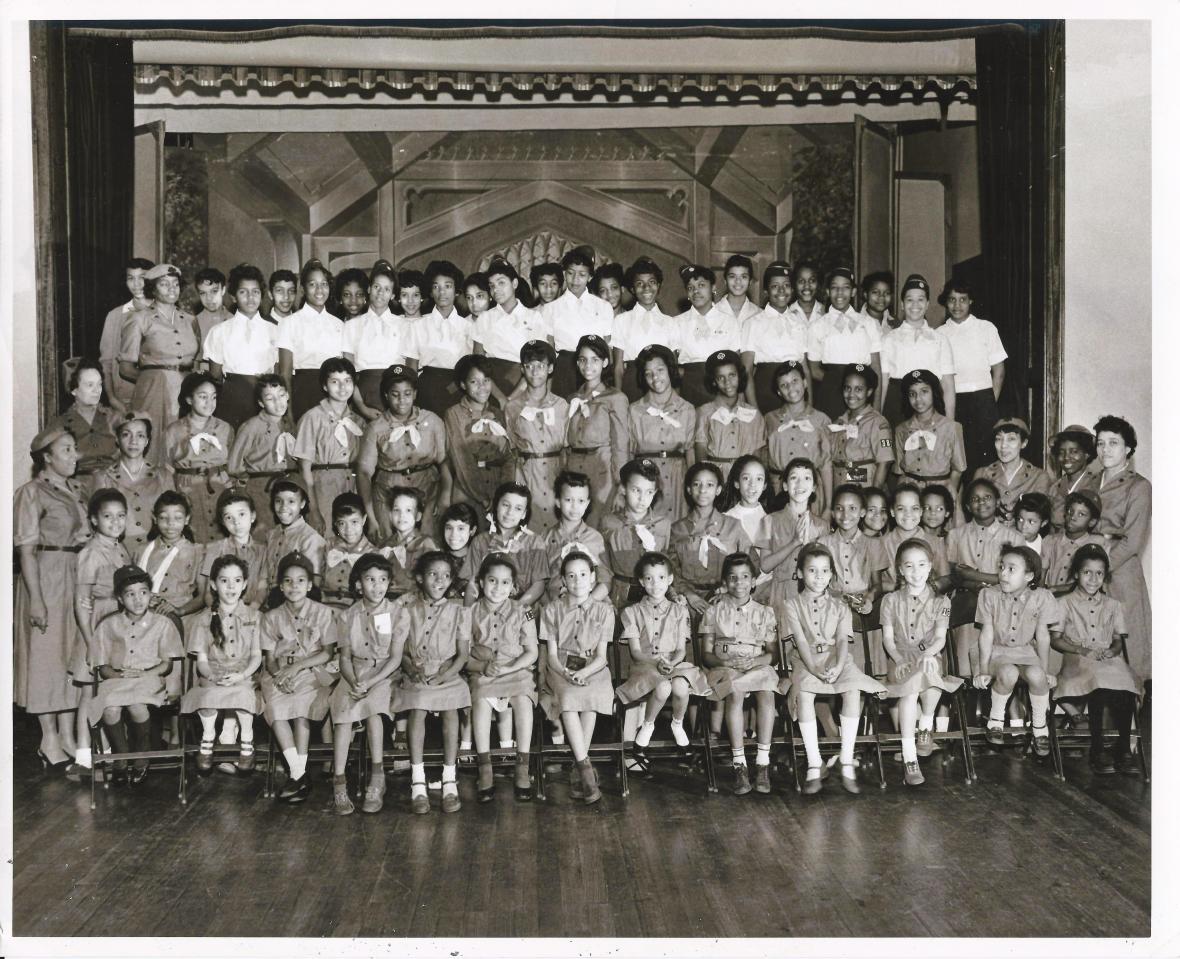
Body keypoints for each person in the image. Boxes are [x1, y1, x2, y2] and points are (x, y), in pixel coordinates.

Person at [783, 543, 887, 795]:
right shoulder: (791, 605)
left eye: (825, 571)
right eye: (812, 570)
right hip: (805, 660)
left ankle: (846, 759)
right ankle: (815, 763)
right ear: (799, 573)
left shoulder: (840, 606)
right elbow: (800, 642)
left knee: (852, 690)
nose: (819, 576)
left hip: (837, 658)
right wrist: (813, 668)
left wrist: (839, 666)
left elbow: (842, 641)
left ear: (831, 574)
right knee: (805, 693)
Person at [1050, 544, 1143, 775]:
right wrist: (1081, 650)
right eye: (1087, 572)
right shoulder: (1064, 603)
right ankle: (1097, 750)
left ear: (1105, 576)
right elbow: (1056, 640)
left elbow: (1118, 640)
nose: (1093, 579)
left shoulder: (1113, 605)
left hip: (1106, 659)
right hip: (1077, 659)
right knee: (1099, 685)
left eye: (1099, 573)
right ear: (1076, 574)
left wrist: (1113, 650)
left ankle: (1123, 749)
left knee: (1126, 686)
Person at [391, 552, 473, 814]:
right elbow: (401, 652)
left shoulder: (459, 611)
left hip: (447, 674)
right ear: (419, 578)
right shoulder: (406, 610)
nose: (439, 580)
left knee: (451, 710)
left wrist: (444, 676)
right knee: (417, 707)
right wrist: (411, 669)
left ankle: (449, 779)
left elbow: (462, 656)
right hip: (417, 673)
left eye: (446, 576)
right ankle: (418, 781)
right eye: (432, 574)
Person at [87, 565, 184, 785]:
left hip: (149, 679)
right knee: (110, 709)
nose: (138, 599)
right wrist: (120, 676)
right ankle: (121, 758)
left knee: (137, 706)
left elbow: (167, 665)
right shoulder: (108, 625)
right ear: (120, 599)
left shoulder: (162, 623)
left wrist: (144, 674)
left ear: (150, 594)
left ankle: (141, 755)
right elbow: (102, 667)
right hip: (116, 680)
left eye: (143, 592)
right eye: (130, 594)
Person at [879, 538, 963, 786]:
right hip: (901, 659)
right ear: (900, 570)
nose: (916, 572)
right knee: (909, 692)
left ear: (930, 567)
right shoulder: (890, 600)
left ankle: (925, 725)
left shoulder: (943, 602)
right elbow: (888, 639)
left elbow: (940, 638)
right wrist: (898, 659)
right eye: (909, 566)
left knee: (930, 671)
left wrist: (929, 654)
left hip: (928, 654)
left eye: (921, 565)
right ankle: (910, 758)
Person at [539, 550, 616, 805]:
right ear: (563, 580)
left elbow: (602, 657)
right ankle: (586, 771)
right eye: (571, 576)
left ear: (593, 578)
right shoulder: (551, 610)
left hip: (593, 668)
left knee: (591, 696)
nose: (577, 580)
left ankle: (578, 768)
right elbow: (551, 656)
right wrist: (566, 673)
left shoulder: (605, 611)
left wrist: (584, 672)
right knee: (570, 697)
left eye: (583, 574)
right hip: (561, 668)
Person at [700, 553, 781, 796]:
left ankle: (763, 763)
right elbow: (706, 655)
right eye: (733, 578)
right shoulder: (713, 611)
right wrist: (725, 661)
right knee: (735, 693)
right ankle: (740, 765)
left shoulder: (765, 612)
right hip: (725, 666)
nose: (739, 583)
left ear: (754, 581)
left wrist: (755, 661)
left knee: (767, 692)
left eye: (745, 577)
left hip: (756, 664)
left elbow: (773, 655)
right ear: (725, 582)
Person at [328, 552, 403, 815]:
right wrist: (353, 681)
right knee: (343, 714)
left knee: (373, 712)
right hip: (355, 673)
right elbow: (344, 658)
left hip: (384, 674)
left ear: (389, 582)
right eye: (370, 579)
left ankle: (377, 778)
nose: (377, 585)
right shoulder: (347, 616)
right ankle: (339, 781)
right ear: (358, 584)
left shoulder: (397, 613)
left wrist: (371, 681)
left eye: (382, 579)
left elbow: (395, 658)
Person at [261, 551, 337, 803]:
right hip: (279, 672)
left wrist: (297, 669)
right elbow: (270, 659)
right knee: (275, 708)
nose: (294, 586)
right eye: (288, 581)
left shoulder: (323, 613)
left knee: (302, 709)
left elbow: (327, 653)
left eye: (301, 580)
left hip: (312, 670)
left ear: (310, 585)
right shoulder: (271, 617)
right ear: (281, 587)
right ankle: (299, 774)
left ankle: (296, 775)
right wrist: (279, 676)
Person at [466, 553, 539, 802]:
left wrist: (509, 669)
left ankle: (522, 767)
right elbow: (463, 655)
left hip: (516, 672)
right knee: (480, 703)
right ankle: (485, 768)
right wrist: (481, 666)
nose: (498, 588)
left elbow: (532, 652)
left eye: (505, 582)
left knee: (523, 702)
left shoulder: (524, 611)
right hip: (484, 673)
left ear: (513, 586)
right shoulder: (470, 613)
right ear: (481, 582)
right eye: (492, 581)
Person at [616, 551, 707, 748]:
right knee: (664, 687)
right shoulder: (631, 612)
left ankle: (677, 723)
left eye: (661, 578)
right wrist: (656, 662)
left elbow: (681, 650)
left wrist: (672, 663)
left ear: (670, 580)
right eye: (649, 579)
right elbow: (636, 653)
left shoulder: (680, 611)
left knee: (681, 687)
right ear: (641, 582)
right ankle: (648, 725)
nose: (655, 584)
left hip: (674, 664)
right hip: (645, 665)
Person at [69, 490, 132, 780]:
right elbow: (81, 603)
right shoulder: (90, 553)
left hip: (118, 627)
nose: (115, 522)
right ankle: (84, 758)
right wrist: (90, 642)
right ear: (94, 520)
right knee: (89, 694)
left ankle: (107, 752)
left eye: (121, 516)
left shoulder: (121, 548)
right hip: (96, 627)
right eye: (108, 516)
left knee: (108, 694)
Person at [973, 545, 1059, 754]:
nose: (1003, 573)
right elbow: (986, 634)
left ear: (1029, 576)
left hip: (1026, 652)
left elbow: (1042, 636)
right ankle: (995, 720)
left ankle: (1040, 727)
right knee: (1009, 672)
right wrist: (983, 670)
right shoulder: (988, 595)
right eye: (1002, 567)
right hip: (994, 651)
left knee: (1037, 675)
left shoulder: (1042, 597)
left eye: (1011, 569)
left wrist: (1045, 671)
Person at [182, 555, 263, 777]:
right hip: (213, 674)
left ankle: (247, 741)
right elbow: (201, 661)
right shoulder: (203, 619)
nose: (231, 587)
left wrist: (242, 675)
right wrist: (212, 676)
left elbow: (256, 656)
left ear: (244, 584)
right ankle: (208, 738)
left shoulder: (255, 617)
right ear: (213, 584)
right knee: (208, 694)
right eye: (224, 580)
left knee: (243, 694)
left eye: (237, 580)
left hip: (243, 675)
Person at [1085, 415, 1151, 682]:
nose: (1105, 449)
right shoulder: (1089, 481)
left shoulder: (1139, 486)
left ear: (1128, 448)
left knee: (1129, 641)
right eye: (1101, 443)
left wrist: (1099, 570)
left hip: (1119, 570)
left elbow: (1132, 541)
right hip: (1088, 567)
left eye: (1113, 443)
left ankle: (1140, 701)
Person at [356, 364, 450, 542]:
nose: (401, 400)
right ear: (386, 395)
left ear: (415, 394)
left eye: (407, 394)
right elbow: (364, 472)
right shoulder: (376, 427)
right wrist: (371, 517)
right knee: (387, 544)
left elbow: (444, 461)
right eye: (395, 394)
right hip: (388, 493)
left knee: (428, 541)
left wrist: (444, 496)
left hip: (427, 490)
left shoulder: (432, 421)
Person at [118, 263, 200, 464]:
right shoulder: (139, 319)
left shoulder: (190, 320)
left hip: (186, 392)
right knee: (155, 447)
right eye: (164, 284)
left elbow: (197, 360)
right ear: (152, 289)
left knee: (183, 446)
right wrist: (153, 380)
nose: (172, 289)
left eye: (175, 284)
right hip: (154, 394)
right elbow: (125, 367)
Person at [946, 478, 1024, 685]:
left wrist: (974, 576)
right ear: (967, 506)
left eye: (987, 497)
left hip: (1003, 607)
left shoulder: (1014, 537)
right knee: (964, 666)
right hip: (966, 606)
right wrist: (971, 583)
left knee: (1000, 666)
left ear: (997, 501)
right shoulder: (956, 535)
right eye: (975, 499)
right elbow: (954, 574)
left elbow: (1018, 579)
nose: (981, 502)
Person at [937, 279, 1006, 479]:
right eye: (952, 300)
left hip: (982, 400)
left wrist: (989, 401)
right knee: (957, 459)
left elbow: (999, 370)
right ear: (946, 302)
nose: (957, 305)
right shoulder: (939, 333)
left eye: (962, 299)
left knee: (984, 459)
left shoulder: (986, 328)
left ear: (971, 301)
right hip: (953, 401)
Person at [668, 463, 755, 617]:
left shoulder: (732, 525)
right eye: (697, 484)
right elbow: (670, 569)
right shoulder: (677, 529)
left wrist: (728, 589)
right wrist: (689, 595)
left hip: (726, 600)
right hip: (687, 602)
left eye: (709, 485)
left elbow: (752, 564)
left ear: (718, 490)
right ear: (689, 489)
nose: (703, 490)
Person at [293, 357, 364, 535]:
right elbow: (304, 468)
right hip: (323, 487)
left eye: (347, 381)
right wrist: (313, 509)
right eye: (335, 382)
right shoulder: (312, 418)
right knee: (325, 537)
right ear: (325, 386)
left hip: (352, 485)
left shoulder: (358, 421)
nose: (342, 387)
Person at [203, 263, 279, 429]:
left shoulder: (274, 331)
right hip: (232, 399)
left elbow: (278, 371)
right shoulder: (219, 331)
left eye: (255, 292)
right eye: (243, 292)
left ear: (262, 295)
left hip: (265, 397)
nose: (250, 298)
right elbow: (215, 377)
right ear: (233, 297)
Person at [504, 340, 568, 535]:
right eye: (529, 366)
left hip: (555, 473)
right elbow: (511, 447)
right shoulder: (513, 407)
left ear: (550, 368)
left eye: (540, 366)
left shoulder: (561, 405)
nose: (535, 371)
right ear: (522, 369)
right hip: (526, 474)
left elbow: (567, 446)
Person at [164, 372, 234, 544]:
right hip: (188, 489)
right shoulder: (174, 430)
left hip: (219, 487)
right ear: (189, 399)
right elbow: (165, 468)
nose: (209, 403)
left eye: (213, 397)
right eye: (203, 397)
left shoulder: (225, 428)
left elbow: (233, 465)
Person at [628, 344, 696, 520]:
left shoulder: (687, 409)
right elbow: (629, 453)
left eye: (660, 370)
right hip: (646, 481)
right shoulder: (634, 410)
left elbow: (690, 453)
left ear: (670, 370)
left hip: (678, 480)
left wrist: (693, 490)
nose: (655, 377)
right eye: (648, 373)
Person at [226, 375, 297, 540]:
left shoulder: (291, 426)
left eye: (281, 395)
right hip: (261, 488)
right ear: (261, 403)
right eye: (270, 398)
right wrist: (252, 482)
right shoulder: (251, 426)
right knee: (263, 534)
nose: (278, 402)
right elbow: (233, 465)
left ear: (287, 395)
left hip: (287, 486)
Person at [878, 274, 956, 424]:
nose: (915, 304)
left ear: (927, 304)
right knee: (892, 438)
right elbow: (884, 383)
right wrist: (878, 419)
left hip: (930, 405)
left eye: (920, 299)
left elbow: (948, 385)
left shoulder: (940, 339)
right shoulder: (889, 339)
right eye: (909, 300)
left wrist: (949, 425)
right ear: (902, 304)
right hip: (897, 405)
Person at [471, 259, 552, 403]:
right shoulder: (484, 318)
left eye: (501, 283)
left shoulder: (533, 317)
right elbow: (478, 363)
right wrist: (500, 398)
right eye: (492, 286)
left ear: (514, 284)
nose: (496, 290)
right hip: (491, 388)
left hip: (525, 383)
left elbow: (538, 360)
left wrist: (511, 398)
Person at [806, 267, 882, 419]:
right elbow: (813, 369)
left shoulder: (868, 323)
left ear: (853, 292)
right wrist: (838, 382)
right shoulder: (817, 326)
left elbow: (876, 367)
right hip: (831, 392)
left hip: (861, 392)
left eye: (846, 288)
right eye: (835, 288)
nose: (840, 293)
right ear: (828, 291)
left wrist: (877, 407)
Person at [565, 334, 629, 513]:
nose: (588, 365)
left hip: (602, 474)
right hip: (574, 472)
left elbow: (621, 445)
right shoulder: (572, 399)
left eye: (595, 360)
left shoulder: (615, 398)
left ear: (605, 362)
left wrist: (621, 485)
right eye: (583, 360)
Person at [277, 259, 345, 421]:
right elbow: (285, 373)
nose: (319, 290)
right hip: (303, 391)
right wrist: (288, 412)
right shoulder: (289, 323)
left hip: (333, 393)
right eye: (313, 284)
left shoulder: (339, 325)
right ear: (303, 289)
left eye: (324, 284)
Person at [542, 247, 615, 397]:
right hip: (564, 370)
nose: (575, 279)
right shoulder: (551, 308)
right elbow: (549, 349)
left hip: (594, 369)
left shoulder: (604, 307)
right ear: (564, 273)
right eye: (570, 273)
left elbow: (608, 347)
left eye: (582, 274)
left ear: (590, 277)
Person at [444, 354, 513, 511]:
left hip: (498, 491)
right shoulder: (454, 414)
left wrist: (504, 493)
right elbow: (462, 461)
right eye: (474, 382)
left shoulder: (498, 414)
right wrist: (482, 498)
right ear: (463, 384)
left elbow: (508, 457)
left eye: (486, 380)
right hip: (468, 492)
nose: (482, 387)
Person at [99, 410, 173, 556]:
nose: (133, 441)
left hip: (155, 553)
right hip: (118, 554)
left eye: (140, 435)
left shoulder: (163, 476)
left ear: (147, 441)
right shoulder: (104, 477)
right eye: (126, 434)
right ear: (117, 439)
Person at [463, 482, 548, 608]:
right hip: (487, 610)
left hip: (522, 609)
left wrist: (515, 610)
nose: (510, 512)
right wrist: (468, 613)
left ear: (524, 514)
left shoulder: (535, 542)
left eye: (518, 508)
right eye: (506, 505)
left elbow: (539, 585)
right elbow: (472, 583)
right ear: (496, 505)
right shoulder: (480, 541)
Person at [742, 262, 812, 413]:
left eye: (786, 285)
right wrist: (755, 411)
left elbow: (805, 369)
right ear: (766, 291)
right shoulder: (753, 323)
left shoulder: (799, 323)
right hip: (765, 394)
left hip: (796, 393)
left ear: (792, 290)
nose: (781, 290)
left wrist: (810, 406)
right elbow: (746, 371)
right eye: (775, 286)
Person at [343, 261, 409, 418]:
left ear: (393, 295)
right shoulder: (351, 326)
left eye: (387, 289)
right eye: (376, 287)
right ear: (368, 289)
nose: (380, 293)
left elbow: (410, 369)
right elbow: (348, 372)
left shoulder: (404, 325)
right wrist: (361, 407)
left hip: (397, 397)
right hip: (362, 396)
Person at [409, 260, 476, 416]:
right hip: (426, 390)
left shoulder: (468, 327)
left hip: (457, 390)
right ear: (431, 292)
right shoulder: (418, 325)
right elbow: (411, 367)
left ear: (456, 291)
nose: (442, 292)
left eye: (448, 286)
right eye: (436, 287)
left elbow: (471, 368)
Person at [764, 360, 831, 510]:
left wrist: (828, 507)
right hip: (778, 490)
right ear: (779, 392)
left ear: (805, 383)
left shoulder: (822, 420)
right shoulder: (769, 419)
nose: (791, 387)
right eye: (784, 385)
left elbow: (826, 465)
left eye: (795, 381)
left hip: (811, 492)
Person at [673, 265, 742, 406]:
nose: (696, 291)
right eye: (690, 288)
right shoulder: (676, 322)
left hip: (722, 386)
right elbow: (672, 364)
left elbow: (736, 363)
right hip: (689, 388)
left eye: (701, 285)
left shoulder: (729, 321)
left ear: (713, 288)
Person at [49, 358, 118, 498]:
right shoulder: (60, 425)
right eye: (90, 385)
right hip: (78, 488)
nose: (97, 390)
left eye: (99, 384)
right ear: (74, 390)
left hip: (114, 484)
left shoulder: (114, 418)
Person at [892, 369, 966, 499]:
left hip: (940, 491)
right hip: (910, 492)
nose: (918, 398)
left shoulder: (952, 427)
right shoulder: (901, 429)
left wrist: (948, 495)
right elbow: (899, 470)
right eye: (912, 394)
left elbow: (958, 469)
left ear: (934, 393)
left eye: (924, 392)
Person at [611, 257, 677, 403]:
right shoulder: (621, 320)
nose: (646, 288)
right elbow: (618, 367)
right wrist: (618, 399)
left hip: (661, 384)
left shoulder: (670, 322)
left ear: (658, 286)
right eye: (640, 284)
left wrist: (673, 399)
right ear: (632, 289)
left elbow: (673, 367)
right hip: (632, 383)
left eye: (651, 282)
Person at [693, 350, 767, 479]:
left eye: (732, 375)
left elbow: (758, 454)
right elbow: (701, 453)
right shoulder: (703, 413)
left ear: (740, 376)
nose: (727, 382)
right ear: (714, 381)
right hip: (716, 478)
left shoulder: (754, 415)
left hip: (746, 477)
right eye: (720, 377)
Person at [99, 257, 154, 412]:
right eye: (131, 278)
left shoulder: (164, 313)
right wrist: (112, 398)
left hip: (158, 396)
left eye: (142, 277)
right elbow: (106, 362)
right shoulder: (115, 316)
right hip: (125, 399)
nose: (136, 284)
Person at [829, 363, 894, 490]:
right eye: (847, 388)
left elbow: (885, 462)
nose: (851, 394)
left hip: (863, 489)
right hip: (839, 488)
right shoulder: (838, 423)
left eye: (858, 389)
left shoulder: (879, 423)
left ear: (869, 392)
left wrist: (874, 494)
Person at [199, 490, 267, 609]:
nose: (236, 522)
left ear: (252, 516)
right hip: (221, 609)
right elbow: (208, 593)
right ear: (222, 522)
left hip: (253, 609)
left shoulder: (263, 551)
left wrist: (250, 611)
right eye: (229, 517)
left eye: (241, 514)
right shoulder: (214, 549)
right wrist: (219, 611)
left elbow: (262, 589)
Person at [975, 418, 1050, 524]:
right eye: (998, 439)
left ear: (1024, 443)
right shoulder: (982, 474)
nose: (1003, 445)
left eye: (1011, 439)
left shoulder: (1039, 476)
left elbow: (1038, 516)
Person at [261, 481, 326, 604]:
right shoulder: (271, 535)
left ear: (302, 503)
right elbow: (264, 576)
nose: (283, 507)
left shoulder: (311, 538)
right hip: (269, 603)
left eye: (291, 501)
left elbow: (313, 584)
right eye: (278, 501)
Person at [319, 493, 385, 609]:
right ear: (335, 523)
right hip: (324, 608)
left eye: (354, 522)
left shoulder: (374, 554)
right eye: (342, 523)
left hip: (355, 610)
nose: (348, 529)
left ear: (364, 519)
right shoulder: (327, 546)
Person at [1041, 490, 1106, 596]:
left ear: (1092, 522)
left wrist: (1058, 589)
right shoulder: (1050, 540)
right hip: (1051, 598)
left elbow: (1094, 580)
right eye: (1070, 511)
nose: (1073, 517)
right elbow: (1041, 574)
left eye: (1081, 514)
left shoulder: (1097, 544)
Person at [379, 487, 439, 599]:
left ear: (418, 516)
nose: (402, 515)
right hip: (386, 600)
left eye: (408, 510)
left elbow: (434, 579)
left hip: (414, 601)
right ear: (390, 515)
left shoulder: (425, 544)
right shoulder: (384, 546)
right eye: (397, 510)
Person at [1047, 424, 1096, 531]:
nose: (1066, 457)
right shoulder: (1054, 489)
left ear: (1087, 454)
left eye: (1074, 452)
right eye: (1061, 452)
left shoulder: (1096, 486)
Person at [716, 254, 762, 332]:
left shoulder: (759, 314)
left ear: (750, 281)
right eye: (732, 276)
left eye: (743, 277)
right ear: (725, 281)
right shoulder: (713, 313)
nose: (738, 281)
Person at [193, 267, 231, 351]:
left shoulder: (235, 320)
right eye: (203, 293)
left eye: (214, 291)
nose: (209, 298)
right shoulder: (194, 324)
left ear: (223, 290)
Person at [788, 260, 824, 326]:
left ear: (818, 283)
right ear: (794, 284)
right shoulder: (787, 314)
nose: (807, 286)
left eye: (812, 281)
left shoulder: (826, 312)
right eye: (801, 281)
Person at [860, 271, 895, 336]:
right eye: (875, 292)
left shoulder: (896, 324)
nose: (882, 297)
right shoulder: (856, 322)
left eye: (887, 293)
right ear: (865, 295)